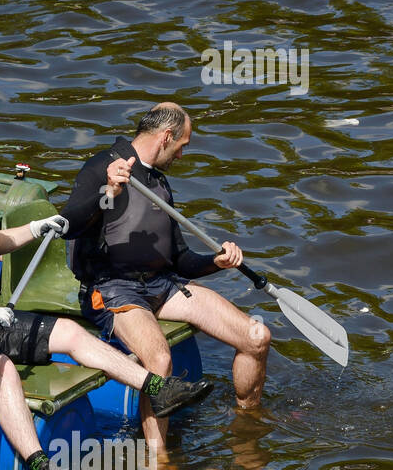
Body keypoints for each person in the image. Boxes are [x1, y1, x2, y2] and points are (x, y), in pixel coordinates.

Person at [0, 158, 214, 470]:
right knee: (0, 367)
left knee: (70, 332)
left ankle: (158, 389)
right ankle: (40, 465)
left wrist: (36, 229)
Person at [58, 102, 270, 449]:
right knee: (159, 359)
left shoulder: (159, 182)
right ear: (166, 136)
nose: (182, 154)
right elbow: (68, 226)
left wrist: (215, 263)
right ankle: (157, 461)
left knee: (256, 337)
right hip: (112, 291)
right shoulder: (103, 166)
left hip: (162, 286)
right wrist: (107, 193)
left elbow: (180, 260)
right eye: (182, 145)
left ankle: (247, 425)